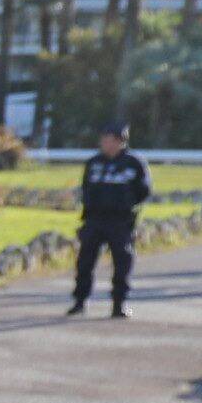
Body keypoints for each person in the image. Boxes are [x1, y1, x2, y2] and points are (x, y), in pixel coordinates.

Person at [71, 123, 151, 314]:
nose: (104, 143)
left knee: (122, 262)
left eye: (109, 140)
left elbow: (144, 190)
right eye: (103, 139)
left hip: (120, 221)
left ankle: (119, 303)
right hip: (94, 219)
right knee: (85, 262)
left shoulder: (134, 163)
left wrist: (127, 206)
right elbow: (85, 188)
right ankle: (80, 301)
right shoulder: (94, 163)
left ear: (120, 141)